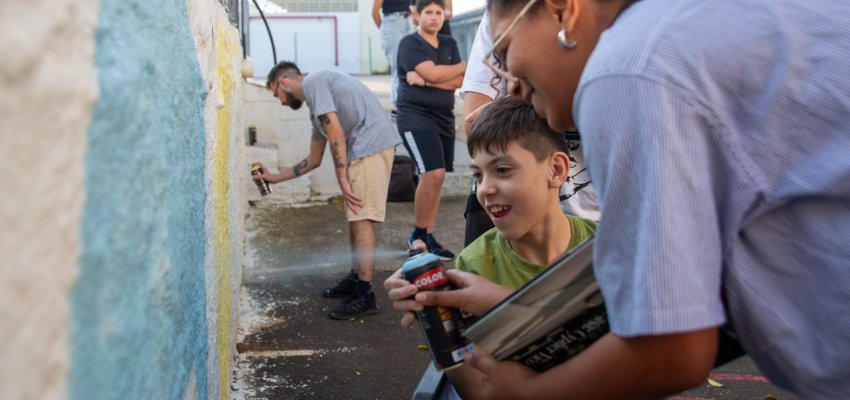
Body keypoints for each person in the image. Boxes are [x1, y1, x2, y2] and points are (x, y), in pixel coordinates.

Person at [404, 0, 850, 398]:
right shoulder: (685, 28)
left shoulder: (624, 68)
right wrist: (505, 304)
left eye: (503, 54)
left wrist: (531, 393)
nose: (509, 83)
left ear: (562, 9)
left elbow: (672, 347)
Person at [385, 97, 597, 399]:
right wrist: (440, 322)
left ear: (557, 169)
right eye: (478, 175)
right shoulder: (475, 263)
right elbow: (478, 390)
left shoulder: (605, 251)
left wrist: (506, 309)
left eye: (502, 169)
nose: (484, 189)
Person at [253, 61, 400, 320]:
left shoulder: (314, 82)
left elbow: (336, 132)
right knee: (356, 218)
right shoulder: (316, 105)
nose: (281, 102)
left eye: (276, 94)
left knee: (362, 217)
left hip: (371, 146)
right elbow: (313, 159)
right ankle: (356, 279)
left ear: (283, 82)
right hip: (364, 149)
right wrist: (274, 178)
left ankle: (365, 295)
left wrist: (341, 177)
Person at [459, 10, 599, 247]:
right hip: (519, 216)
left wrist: (530, 106)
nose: (512, 78)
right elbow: (475, 124)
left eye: (508, 50)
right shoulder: (503, 13)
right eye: (502, 52)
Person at [396, 0, 465, 260]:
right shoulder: (409, 44)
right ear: (418, 15)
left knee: (437, 179)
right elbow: (437, 74)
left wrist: (425, 80)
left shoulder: (449, 43)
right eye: (429, 12)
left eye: (438, 12)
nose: (434, 17)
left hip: (443, 117)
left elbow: (459, 81)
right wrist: (458, 67)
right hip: (415, 116)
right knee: (432, 174)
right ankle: (418, 235)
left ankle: (429, 235)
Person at [372, 0, 411, 117]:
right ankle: (397, 105)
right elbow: (375, 12)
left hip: (407, 22)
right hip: (392, 23)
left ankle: (407, 102)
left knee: (408, 65)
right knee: (397, 66)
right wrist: (385, 29)